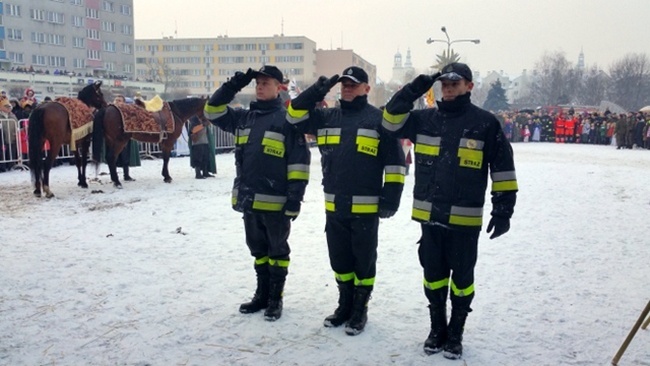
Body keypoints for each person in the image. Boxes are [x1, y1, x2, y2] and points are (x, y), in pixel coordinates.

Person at [382, 62, 518, 359]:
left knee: (462, 279)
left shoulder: (485, 123)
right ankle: (437, 328)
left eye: (455, 83)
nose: (448, 88)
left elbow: (503, 169)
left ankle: (456, 333)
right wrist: (414, 89)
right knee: (433, 276)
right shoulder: (424, 119)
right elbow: (390, 120)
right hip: (429, 217)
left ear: (469, 86)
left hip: (464, 220)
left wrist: (503, 210)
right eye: (444, 83)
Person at [286, 66, 405, 335]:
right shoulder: (326, 117)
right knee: (339, 260)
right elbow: (293, 115)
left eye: (354, 84)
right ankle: (344, 304)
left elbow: (396, 164)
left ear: (366, 88)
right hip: (334, 206)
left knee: (363, 261)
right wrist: (317, 90)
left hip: (366, 207)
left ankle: (360, 308)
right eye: (344, 84)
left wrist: (391, 199)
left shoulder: (379, 120)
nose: (348, 88)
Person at [204, 65, 311, 321]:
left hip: (276, 203)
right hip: (249, 200)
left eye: (266, 83)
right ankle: (261, 295)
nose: (260, 87)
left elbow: (299, 163)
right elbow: (212, 110)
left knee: (277, 253)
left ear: (279, 87)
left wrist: (295, 199)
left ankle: (276, 299)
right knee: (258, 252)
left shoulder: (288, 120)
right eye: (258, 83)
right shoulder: (244, 118)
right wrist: (232, 86)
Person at [110, 95, 139, 180]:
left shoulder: (127, 111)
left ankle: (126, 175)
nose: (118, 102)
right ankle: (114, 176)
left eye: (120, 100)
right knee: (113, 157)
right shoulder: (110, 112)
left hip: (125, 137)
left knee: (125, 157)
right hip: (113, 138)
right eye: (116, 100)